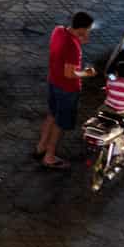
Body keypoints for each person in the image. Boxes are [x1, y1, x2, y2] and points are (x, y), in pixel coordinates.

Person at [37, 12, 95, 169]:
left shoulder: (58, 31)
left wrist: (79, 40)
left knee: (51, 114)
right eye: (88, 29)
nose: (89, 31)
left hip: (53, 81)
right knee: (60, 123)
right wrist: (87, 73)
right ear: (82, 29)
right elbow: (69, 73)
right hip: (67, 89)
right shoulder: (73, 47)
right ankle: (49, 156)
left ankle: (41, 146)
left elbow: (61, 54)